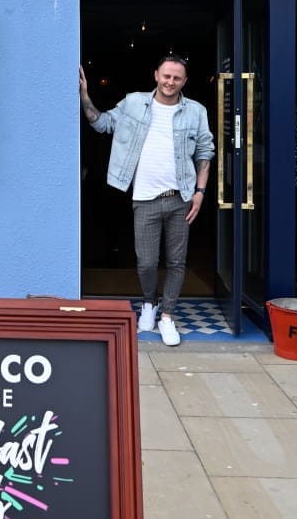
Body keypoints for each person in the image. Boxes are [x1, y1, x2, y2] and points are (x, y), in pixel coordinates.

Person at [79, 54, 216, 347]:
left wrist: (200, 193)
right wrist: (85, 97)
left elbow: (205, 152)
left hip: (181, 197)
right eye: (166, 76)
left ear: (184, 81)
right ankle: (148, 304)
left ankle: (167, 316)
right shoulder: (134, 103)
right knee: (146, 263)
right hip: (144, 199)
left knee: (177, 262)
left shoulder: (196, 111)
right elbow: (102, 124)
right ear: (156, 75)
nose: (170, 82)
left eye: (177, 77)